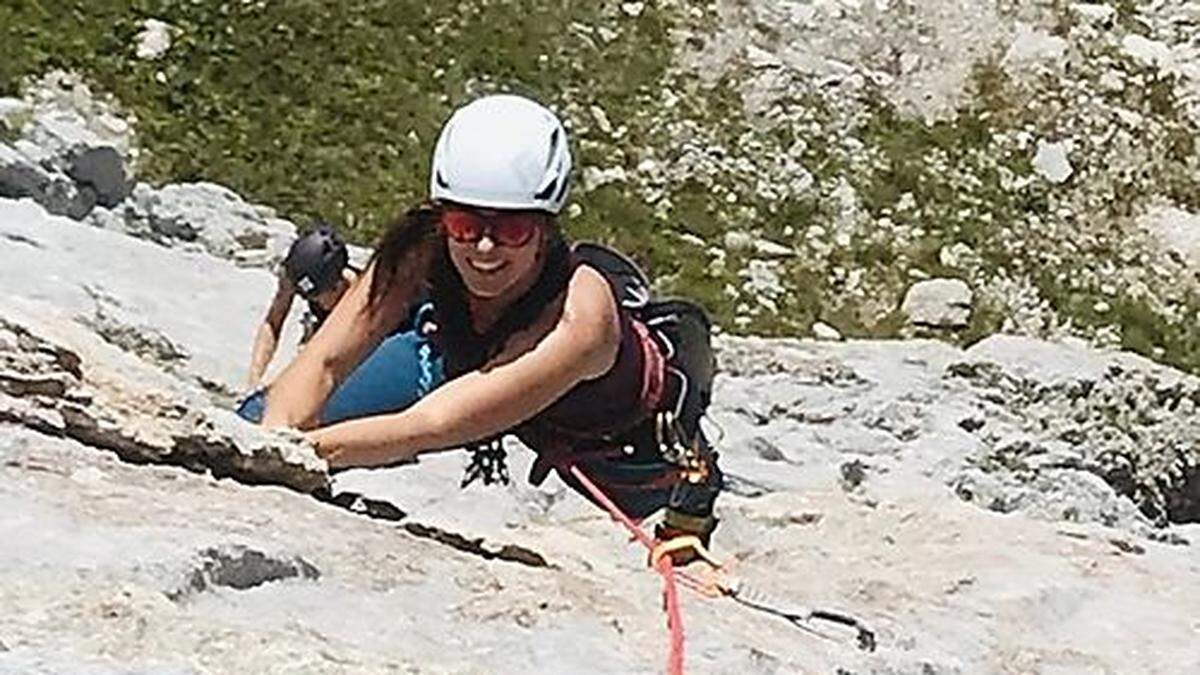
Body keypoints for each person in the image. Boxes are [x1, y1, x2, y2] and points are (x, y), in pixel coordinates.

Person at [253, 94, 723, 560]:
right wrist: (267, 437)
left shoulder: (581, 321)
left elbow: (430, 424)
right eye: (463, 224)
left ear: (545, 227)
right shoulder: (422, 243)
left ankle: (694, 500)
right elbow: (328, 359)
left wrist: (293, 453)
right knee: (255, 418)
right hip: (466, 356)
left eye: (513, 230)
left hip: (620, 454)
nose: (483, 247)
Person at [246, 224, 356, 389]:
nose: (314, 301)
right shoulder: (294, 275)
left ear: (337, 284)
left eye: (316, 296)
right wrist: (254, 380)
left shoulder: (356, 298)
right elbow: (273, 323)